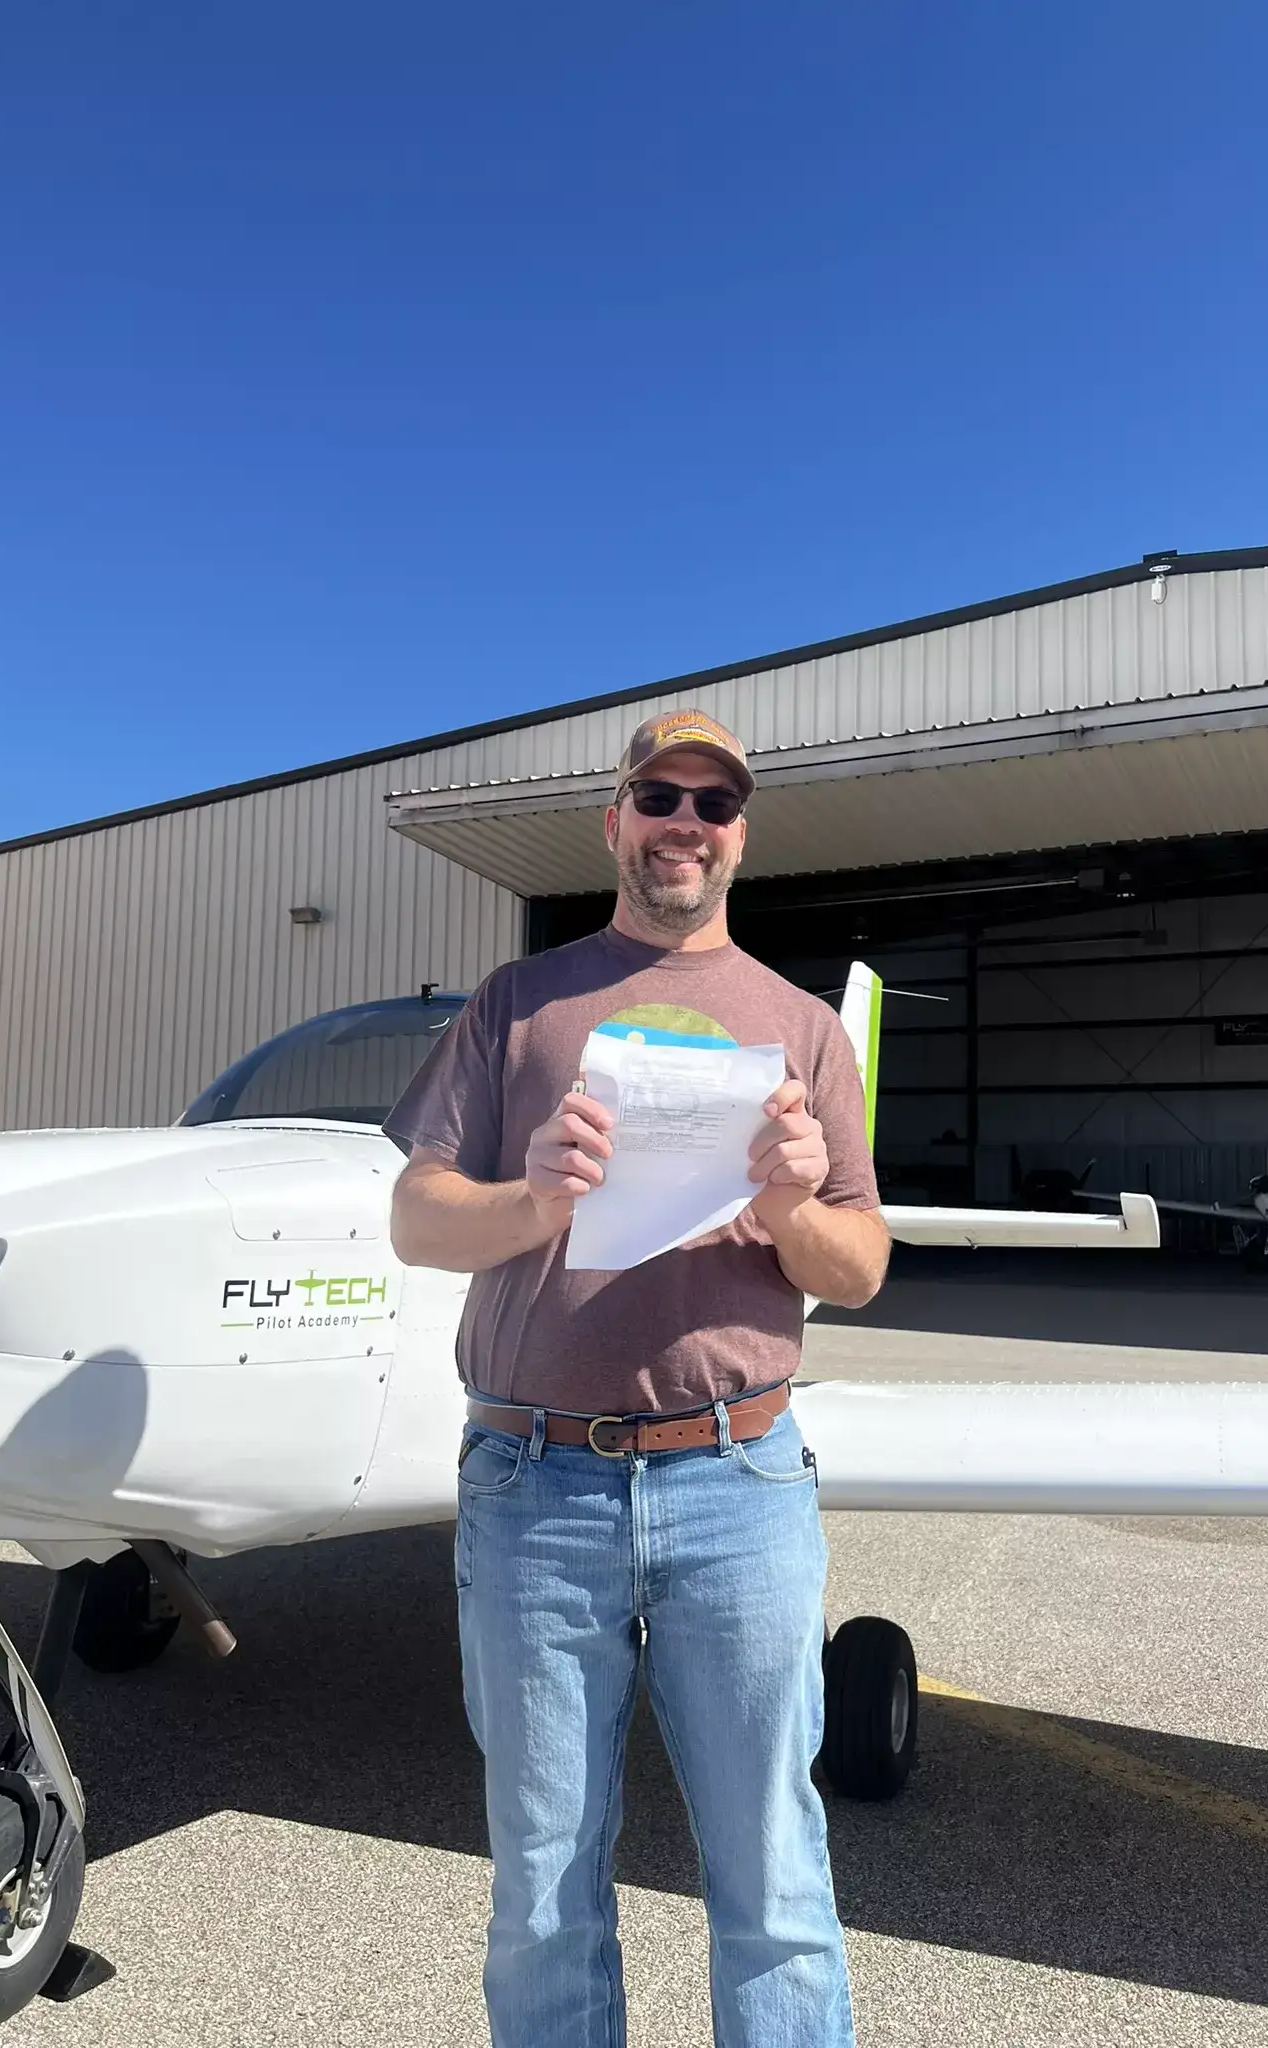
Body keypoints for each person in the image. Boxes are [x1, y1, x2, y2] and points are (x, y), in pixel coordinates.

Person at [387, 706, 891, 2048]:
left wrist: (789, 1210)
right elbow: (416, 1219)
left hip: (741, 1481)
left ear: (741, 838)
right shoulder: (515, 1005)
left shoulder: (801, 1029)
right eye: (657, 796)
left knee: (774, 1876)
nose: (685, 822)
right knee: (544, 1889)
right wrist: (536, 1198)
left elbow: (858, 1268)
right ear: (614, 822)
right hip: (532, 1482)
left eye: (712, 804)